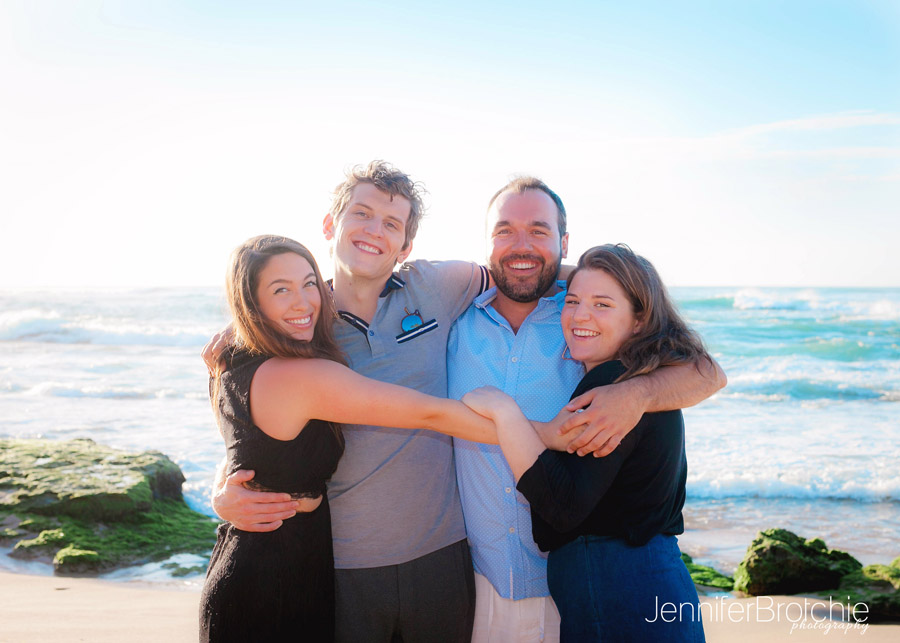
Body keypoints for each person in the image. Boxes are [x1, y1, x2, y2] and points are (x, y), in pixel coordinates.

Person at [448, 177, 725, 642]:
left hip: (601, 585)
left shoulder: (617, 370)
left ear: (563, 242)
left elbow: (708, 371)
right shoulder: (453, 313)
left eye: (539, 230)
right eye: (505, 230)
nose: (581, 314)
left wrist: (635, 394)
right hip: (490, 581)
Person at [200, 235, 499, 642]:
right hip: (291, 578)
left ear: (406, 243)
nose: (303, 301)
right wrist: (540, 435)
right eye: (280, 290)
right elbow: (429, 413)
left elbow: (249, 446)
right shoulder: (299, 365)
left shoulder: (247, 356)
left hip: (306, 565)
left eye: (309, 284)